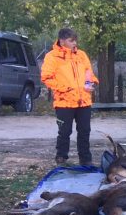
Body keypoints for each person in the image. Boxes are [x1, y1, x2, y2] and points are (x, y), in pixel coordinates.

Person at [40, 27, 98, 166]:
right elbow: (46, 78)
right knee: (64, 132)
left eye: (75, 40)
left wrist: (92, 82)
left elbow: (89, 73)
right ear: (62, 41)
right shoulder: (52, 57)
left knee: (85, 131)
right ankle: (61, 157)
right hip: (64, 102)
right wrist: (64, 89)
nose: (74, 43)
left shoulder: (82, 55)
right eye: (71, 41)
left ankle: (85, 160)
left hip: (83, 101)